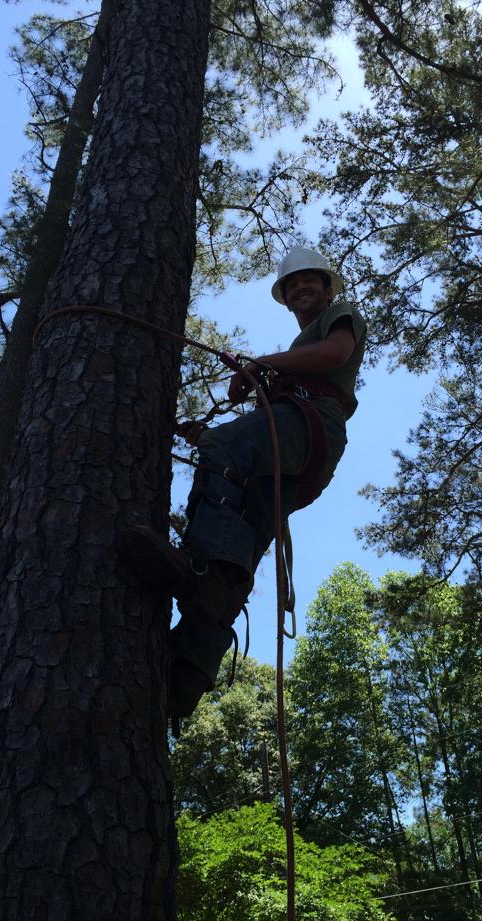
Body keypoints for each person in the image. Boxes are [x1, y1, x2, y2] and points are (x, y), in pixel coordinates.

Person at [120, 246, 367, 719]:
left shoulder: (341, 315)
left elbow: (337, 353)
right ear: (287, 298)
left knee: (224, 452)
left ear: (327, 286)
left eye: (309, 281)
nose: (301, 288)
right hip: (302, 449)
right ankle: (187, 676)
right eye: (293, 285)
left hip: (312, 422)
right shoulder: (296, 355)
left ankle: (195, 565)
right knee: (245, 539)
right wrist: (211, 430)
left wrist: (259, 364)